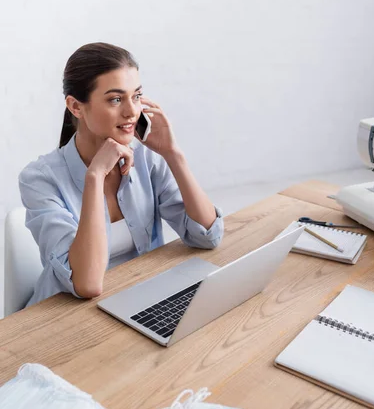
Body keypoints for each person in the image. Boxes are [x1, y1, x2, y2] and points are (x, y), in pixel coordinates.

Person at [19, 43, 224, 307]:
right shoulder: (39, 179)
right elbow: (87, 284)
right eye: (115, 99)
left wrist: (173, 154)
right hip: (63, 320)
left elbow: (207, 236)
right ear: (76, 106)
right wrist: (94, 177)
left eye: (136, 96)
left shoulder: (147, 158)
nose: (131, 111)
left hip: (138, 300)